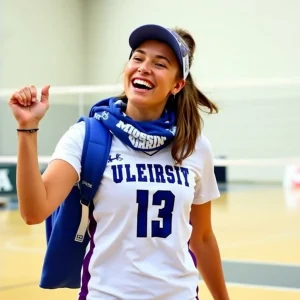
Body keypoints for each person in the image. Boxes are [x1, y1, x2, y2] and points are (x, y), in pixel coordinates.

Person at [9, 24, 229, 300]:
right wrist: (27, 129)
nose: (144, 67)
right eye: (138, 58)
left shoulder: (194, 146)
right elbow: (33, 211)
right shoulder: (87, 135)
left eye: (160, 64)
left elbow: (203, 237)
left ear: (177, 84)